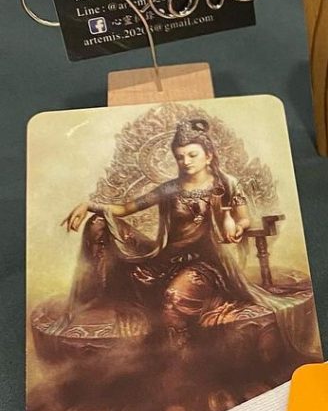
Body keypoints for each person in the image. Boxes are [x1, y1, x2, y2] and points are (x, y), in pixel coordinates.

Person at [62, 117, 255, 343]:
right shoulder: (170, 188)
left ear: (209, 156)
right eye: (180, 157)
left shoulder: (226, 184)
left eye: (192, 155)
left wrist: (238, 227)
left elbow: (244, 219)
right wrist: (89, 205)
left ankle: (181, 355)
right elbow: (125, 209)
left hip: (204, 262)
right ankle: (100, 295)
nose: (186, 162)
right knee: (99, 223)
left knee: (173, 298)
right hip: (165, 257)